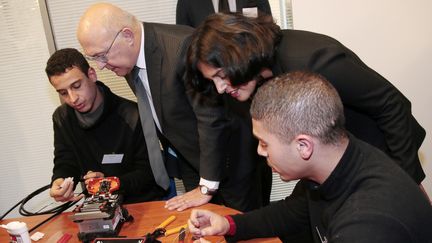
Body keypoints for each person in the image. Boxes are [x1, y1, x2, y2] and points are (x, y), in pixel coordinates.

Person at [184, 13, 428, 194]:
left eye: (220, 76)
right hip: (334, 166)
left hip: (379, 156)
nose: (220, 88)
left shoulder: (316, 62)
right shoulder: (253, 81)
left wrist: (406, 183)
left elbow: (392, 104)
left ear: (238, 55)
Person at [188, 71, 432, 243]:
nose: (260, 152)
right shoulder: (339, 161)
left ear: (303, 146)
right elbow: (292, 212)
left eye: (264, 143)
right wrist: (229, 225)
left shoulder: (368, 223)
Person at [77, 3, 263, 212]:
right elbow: (167, 116)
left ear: (127, 36)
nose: (101, 65)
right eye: (95, 58)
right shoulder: (127, 59)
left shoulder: (181, 47)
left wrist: (207, 186)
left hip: (231, 163)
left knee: (243, 230)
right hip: (193, 161)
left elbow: (211, 117)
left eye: (102, 55)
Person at [46, 48, 167, 204]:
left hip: (140, 204)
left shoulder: (133, 115)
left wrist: (109, 183)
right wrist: (60, 181)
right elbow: (66, 161)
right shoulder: (62, 118)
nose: (72, 98)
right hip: (99, 206)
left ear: (91, 75)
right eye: (63, 93)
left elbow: (150, 173)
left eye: (76, 86)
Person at [176, 0, 272, 28]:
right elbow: (183, 43)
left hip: (254, 70)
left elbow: (270, 31)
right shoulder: (187, 2)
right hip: (208, 73)